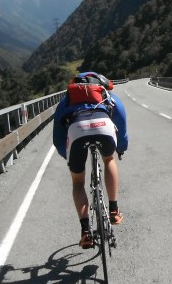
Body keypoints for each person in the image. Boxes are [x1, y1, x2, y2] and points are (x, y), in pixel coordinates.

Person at [53, 71, 129, 249]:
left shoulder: (67, 99)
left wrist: (67, 156)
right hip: (103, 126)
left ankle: (86, 232)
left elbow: (58, 134)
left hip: (77, 129)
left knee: (78, 182)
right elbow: (121, 121)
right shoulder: (107, 95)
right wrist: (121, 147)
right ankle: (113, 210)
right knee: (109, 159)